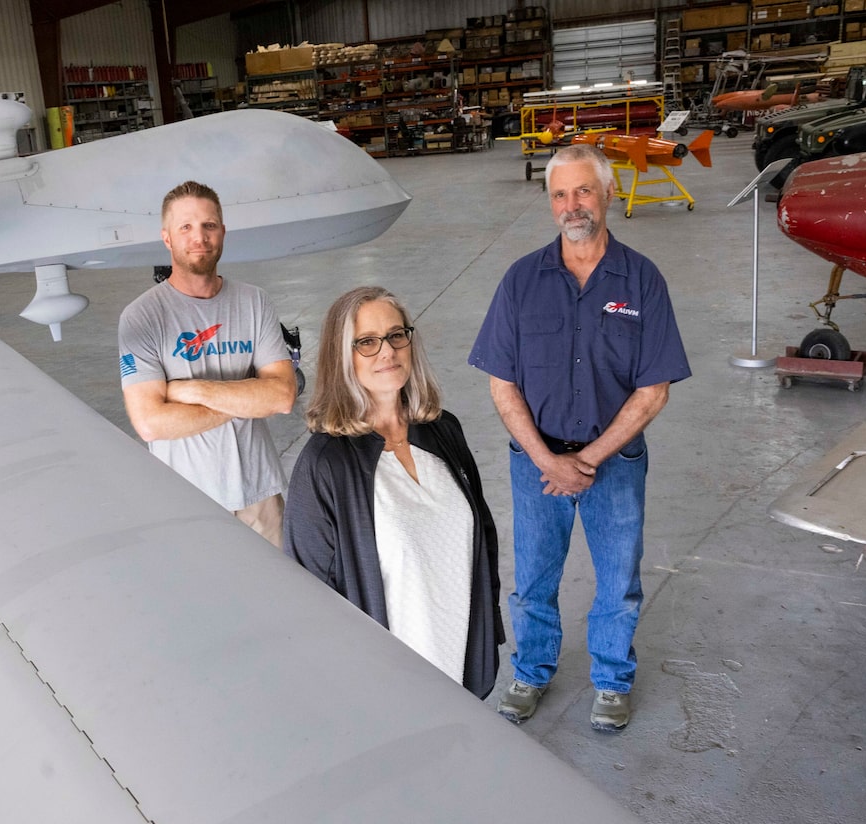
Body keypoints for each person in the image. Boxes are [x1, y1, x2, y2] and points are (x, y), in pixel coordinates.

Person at [468, 144, 691, 732]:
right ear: (550, 204)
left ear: (609, 194)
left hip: (614, 462)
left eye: (583, 191)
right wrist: (548, 459)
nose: (572, 205)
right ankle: (531, 670)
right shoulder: (521, 281)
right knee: (534, 579)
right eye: (560, 194)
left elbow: (654, 390)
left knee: (618, 581)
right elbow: (502, 385)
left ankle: (612, 680)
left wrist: (586, 461)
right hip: (535, 461)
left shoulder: (641, 281)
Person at [284, 286, 504, 699]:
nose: (387, 351)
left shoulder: (444, 430)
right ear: (341, 356)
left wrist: (489, 631)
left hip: (461, 661)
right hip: (386, 689)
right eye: (367, 342)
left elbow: (483, 537)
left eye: (396, 335)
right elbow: (307, 597)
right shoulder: (326, 463)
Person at [118, 180, 296, 546]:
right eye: (186, 227)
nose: (199, 237)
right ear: (167, 238)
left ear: (223, 232)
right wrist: (246, 398)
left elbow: (281, 396)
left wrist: (191, 390)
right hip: (185, 503)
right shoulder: (142, 317)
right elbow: (151, 423)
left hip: (259, 496)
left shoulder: (254, 302)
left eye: (208, 225)